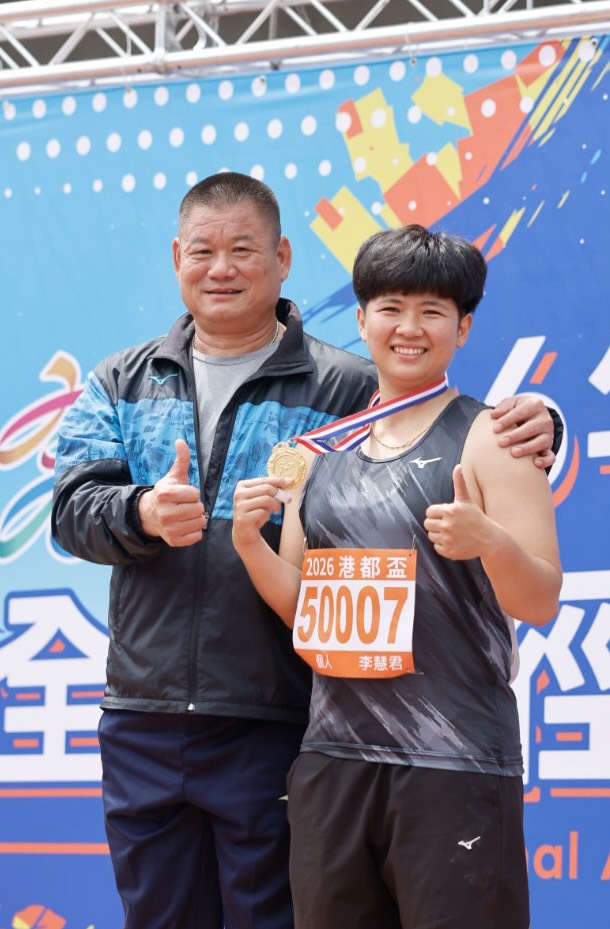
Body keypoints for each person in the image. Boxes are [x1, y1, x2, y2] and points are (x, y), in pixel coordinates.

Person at [52, 174, 559, 929]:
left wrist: (543, 424)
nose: (222, 267)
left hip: (288, 717)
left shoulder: (344, 388)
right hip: (158, 716)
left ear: (283, 257)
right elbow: (72, 509)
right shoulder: (121, 380)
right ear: (177, 259)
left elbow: (433, 414)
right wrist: (143, 512)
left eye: (243, 249)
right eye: (203, 251)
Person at [232, 224, 562, 929]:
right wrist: (249, 546)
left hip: (455, 762)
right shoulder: (316, 454)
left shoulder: (494, 438)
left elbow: (539, 598)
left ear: (463, 328)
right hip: (333, 761)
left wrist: (489, 542)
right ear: (361, 320)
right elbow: (303, 609)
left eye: (432, 311)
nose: (409, 328)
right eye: (390, 308)